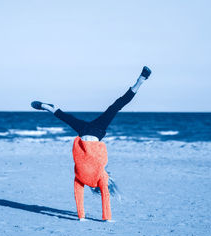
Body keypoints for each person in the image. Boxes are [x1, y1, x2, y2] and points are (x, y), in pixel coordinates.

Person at [31, 66, 152, 221]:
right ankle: (140, 81)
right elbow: (99, 193)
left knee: (112, 107)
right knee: (112, 107)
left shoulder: (93, 176)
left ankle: (48, 107)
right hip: (90, 132)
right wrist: (86, 217)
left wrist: (85, 217)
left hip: (91, 132)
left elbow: (97, 192)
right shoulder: (94, 176)